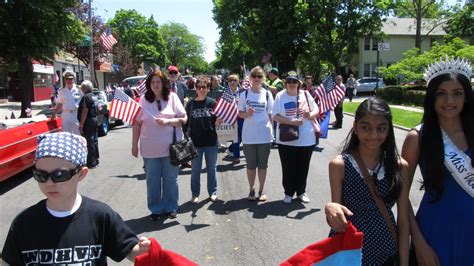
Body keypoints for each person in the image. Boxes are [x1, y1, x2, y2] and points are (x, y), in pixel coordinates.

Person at [1, 132, 150, 265]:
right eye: (41, 175)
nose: (49, 183)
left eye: (59, 175)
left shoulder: (100, 216)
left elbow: (128, 250)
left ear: (81, 174)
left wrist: (143, 249)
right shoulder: (24, 223)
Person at [401, 57, 473, 266]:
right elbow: (401, 196)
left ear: (467, 97)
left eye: (457, 93)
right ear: (431, 97)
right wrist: (419, 243)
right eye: (441, 93)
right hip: (435, 232)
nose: (449, 101)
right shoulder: (418, 137)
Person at [325, 97, 410, 265]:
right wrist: (330, 208)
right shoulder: (340, 164)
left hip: (387, 252)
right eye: (366, 127)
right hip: (349, 253)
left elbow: (403, 220)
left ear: (388, 130)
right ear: (355, 127)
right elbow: (336, 218)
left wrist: (404, 262)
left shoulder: (399, 166)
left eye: (381, 128)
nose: (373, 135)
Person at [132, 70, 187, 220]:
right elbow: (136, 124)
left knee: (170, 179)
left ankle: (170, 207)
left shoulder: (173, 98)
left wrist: (168, 122)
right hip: (149, 149)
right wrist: (134, 145)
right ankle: (155, 209)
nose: (155, 85)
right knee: (152, 181)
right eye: (153, 82)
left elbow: (184, 118)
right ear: (149, 85)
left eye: (158, 82)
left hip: (171, 148)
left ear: (163, 83)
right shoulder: (143, 100)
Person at [272, 71, 319, 204]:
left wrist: (309, 114)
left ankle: (301, 192)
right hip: (286, 139)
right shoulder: (280, 96)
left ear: (299, 84)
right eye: (289, 82)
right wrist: (291, 122)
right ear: (286, 84)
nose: (292, 84)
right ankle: (288, 193)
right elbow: (275, 115)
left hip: (306, 138)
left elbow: (316, 110)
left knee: (303, 167)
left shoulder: (306, 94)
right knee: (288, 168)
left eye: (294, 82)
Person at [238, 66, 274, 201]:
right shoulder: (244, 94)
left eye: (259, 76)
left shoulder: (267, 94)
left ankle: (261, 190)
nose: (257, 79)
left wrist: (273, 131)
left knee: (263, 165)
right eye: (254, 76)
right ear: (250, 78)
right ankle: (251, 189)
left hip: (264, 135)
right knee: (251, 165)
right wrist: (247, 114)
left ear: (263, 78)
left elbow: (271, 113)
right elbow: (240, 113)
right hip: (249, 136)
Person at [185, 76, 222, 204]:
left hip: (211, 141)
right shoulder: (190, 104)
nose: (201, 89)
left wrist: (218, 122)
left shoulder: (212, 103)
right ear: (196, 89)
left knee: (212, 169)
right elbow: (186, 123)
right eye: (199, 87)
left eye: (204, 87)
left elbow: (217, 123)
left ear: (208, 89)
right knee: (195, 170)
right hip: (196, 143)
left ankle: (212, 192)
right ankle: (195, 194)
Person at [51, 70, 83, 134]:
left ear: (73, 79)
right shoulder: (61, 91)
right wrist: (54, 113)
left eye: (70, 79)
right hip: (65, 115)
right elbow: (60, 103)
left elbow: (83, 102)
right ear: (65, 80)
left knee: (77, 134)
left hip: (76, 114)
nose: (69, 81)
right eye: (67, 79)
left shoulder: (79, 90)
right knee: (66, 134)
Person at [77, 80, 99, 169]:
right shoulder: (94, 96)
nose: (81, 89)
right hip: (94, 119)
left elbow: (85, 110)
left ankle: (91, 162)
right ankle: (96, 158)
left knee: (89, 141)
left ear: (85, 88)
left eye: (82, 88)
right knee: (94, 140)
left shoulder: (86, 97)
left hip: (89, 121)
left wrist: (81, 124)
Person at [226, 74, 244, 165]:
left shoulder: (243, 92)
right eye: (230, 81)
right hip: (232, 118)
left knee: (243, 137)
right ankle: (237, 157)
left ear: (238, 82)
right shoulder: (225, 93)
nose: (232, 82)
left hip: (242, 117)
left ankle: (230, 149)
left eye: (234, 80)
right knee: (236, 138)